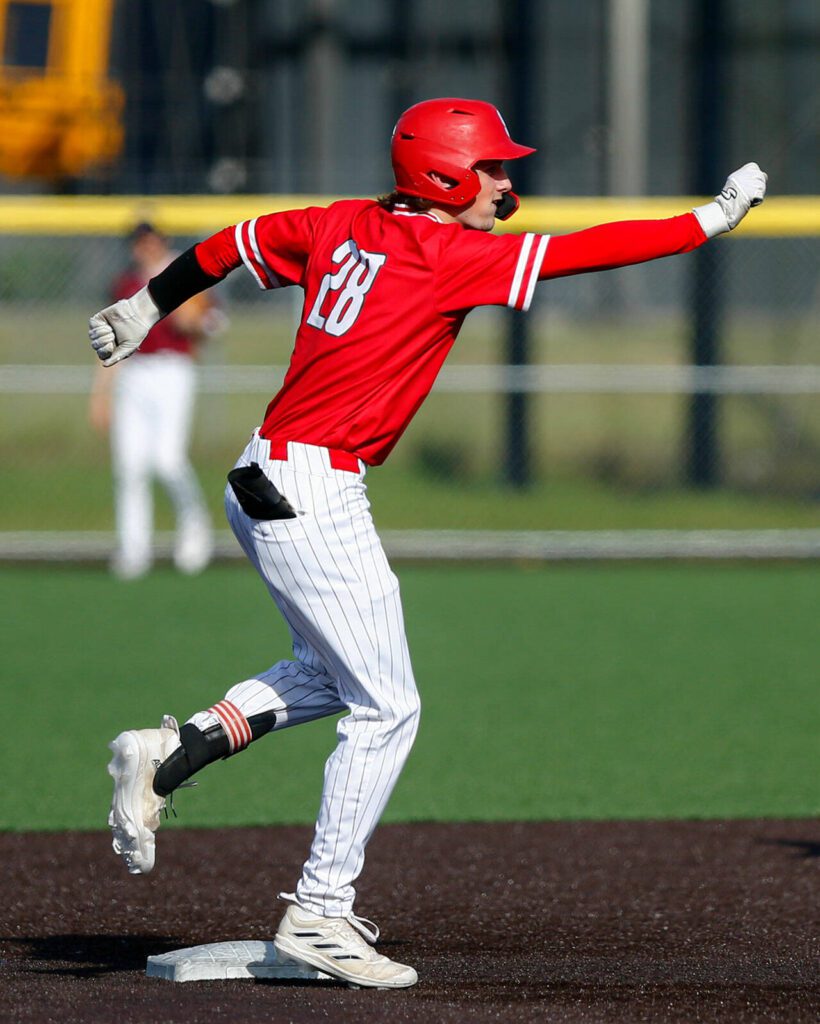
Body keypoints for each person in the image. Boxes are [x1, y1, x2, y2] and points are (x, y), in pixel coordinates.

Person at [89, 98, 767, 989]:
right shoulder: (448, 255)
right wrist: (710, 220)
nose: (505, 182)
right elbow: (591, 251)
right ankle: (319, 911)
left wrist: (146, 305)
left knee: (332, 674)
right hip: (314, 487)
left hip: (266, 474)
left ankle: (173, 754)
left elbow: (226, 246)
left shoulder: (338, 223)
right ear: (445, 174)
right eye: (492, 167)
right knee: (388, 707)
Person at [89, 222, 220, 579]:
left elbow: (211, 324)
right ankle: (134, 551)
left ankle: (195, 527)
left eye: (150, 241)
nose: (144, 247)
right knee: (129, 465)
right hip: (133, 372)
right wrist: (101, 393)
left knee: (167, 459)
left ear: (162, 241)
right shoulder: (126, 283)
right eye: (139, 242)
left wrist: (194, 320)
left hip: (172, 370)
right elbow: (110, 340)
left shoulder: (183, 272)